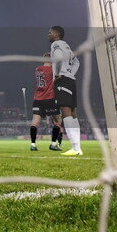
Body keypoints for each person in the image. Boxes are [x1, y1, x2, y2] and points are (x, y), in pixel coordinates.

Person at [48, 26, 82, 156]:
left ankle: (75, 148)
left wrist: (57, 74)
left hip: (62, 81)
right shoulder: (67, 46)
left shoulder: (56, 44)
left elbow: (58, 57)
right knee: (72, 113)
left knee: (66, 111)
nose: (48, 35)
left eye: (50, 32)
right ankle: (77, 148)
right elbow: (76, 62)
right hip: (70, 80)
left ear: (56, 34)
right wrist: (70, 73)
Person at [30, 53, 62, 151]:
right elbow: (59, 77)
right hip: (49, 98)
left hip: (37, 99)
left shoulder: (37, 69)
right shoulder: (51, 70)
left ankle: (33, 145)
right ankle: (53, 144)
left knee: (34, 123)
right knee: (58, 121)